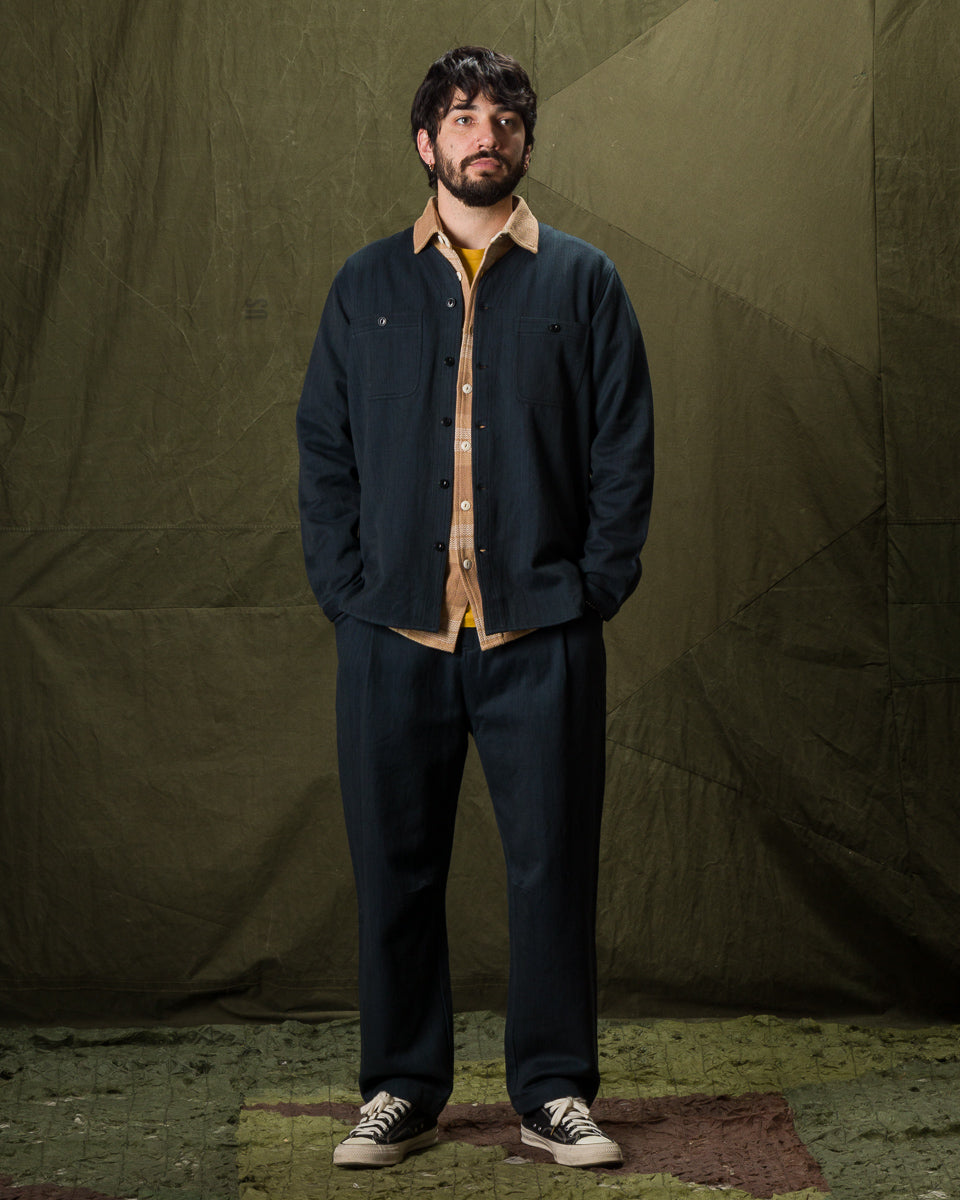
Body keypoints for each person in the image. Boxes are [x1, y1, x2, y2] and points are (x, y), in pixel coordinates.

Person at [297, 45, 653, 1170]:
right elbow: (324, 448)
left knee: (552, 867)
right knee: (394, 866)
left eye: (502, 116)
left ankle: (554, 1091)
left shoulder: (584, 282)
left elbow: (623, 447)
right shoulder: (364, 285)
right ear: (425, 142)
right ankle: (400, 1088)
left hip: (541, 628)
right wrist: (345, 589)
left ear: (526, 142)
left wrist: (591, 590)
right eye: (460, 115)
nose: (482, 133)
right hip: (392, 629)